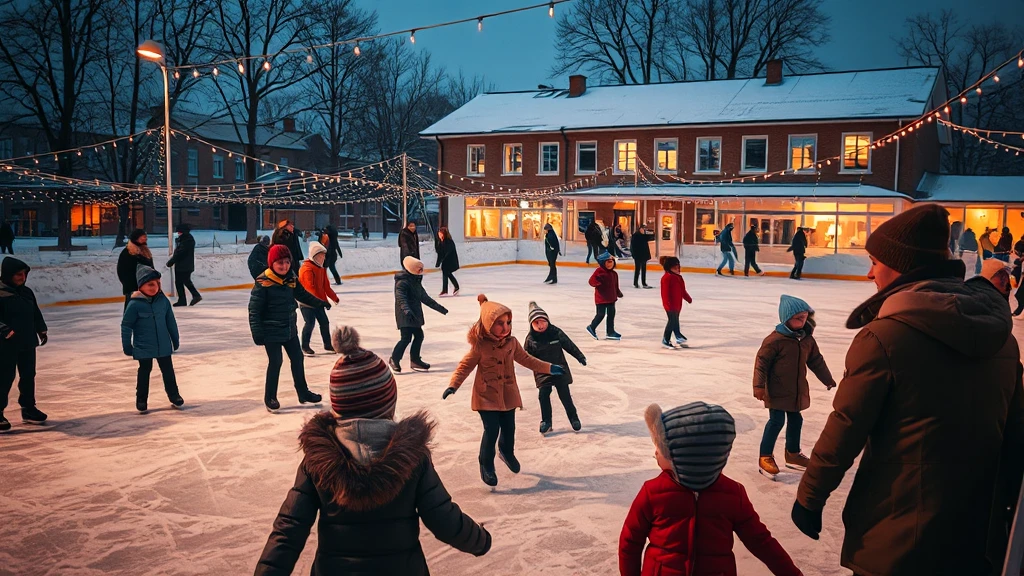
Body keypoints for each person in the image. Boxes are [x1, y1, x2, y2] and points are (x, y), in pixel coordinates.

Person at [792, 204, 1024, 576]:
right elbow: (1015, 436)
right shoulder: (1004, 342)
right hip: (977, 537)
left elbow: (847, 426)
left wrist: (810, 497)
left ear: (903, 265)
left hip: (897, 535)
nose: (870, 273)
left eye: (874, 262)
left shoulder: (885, 337)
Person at [254, 326, 491, 575]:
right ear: (389, 402)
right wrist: (480, 541)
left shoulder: (318, 461)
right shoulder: (412, 459)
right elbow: (443, 518)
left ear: (338, 406)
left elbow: (289, 529)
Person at [619, 402, 802, 576]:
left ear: (683, 458)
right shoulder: (653, 492)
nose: (655, 453)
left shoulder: (732, 495)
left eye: (661, 449)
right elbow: (630, 543)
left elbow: (761, 541)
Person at [442, 294, 560, 486]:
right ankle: (486, 464)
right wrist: (453, 385)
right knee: (491, 429)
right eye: (500, 323)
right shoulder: (480, 346)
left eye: (508, 323)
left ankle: (506, 451)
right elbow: (465, 366)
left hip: (507, 394)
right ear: (488, 324)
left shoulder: (511, 343)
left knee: (509, 427)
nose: (505, 328)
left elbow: (527, 359)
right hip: (486, 395)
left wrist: (549, 367)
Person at [753, 295, 836, 480]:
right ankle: (765, 456)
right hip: (776, 390)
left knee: (796, 420)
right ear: (786, 318)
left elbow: (816, 361)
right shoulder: (775, 340)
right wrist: (758, 386)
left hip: (796, 391)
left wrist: (827, 379)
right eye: (798, 318)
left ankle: (792, 454)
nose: (803, 321)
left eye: (805, 317)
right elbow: (761, 363)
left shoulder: (807, 340)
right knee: (776, 421)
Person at [249, 244, 327, 413]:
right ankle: (270, 397)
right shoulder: (263, 282)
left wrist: (319, 303)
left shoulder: (291, 278)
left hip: (289, 328)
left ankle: (303, 392)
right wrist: (257, 332)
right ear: (272, 263)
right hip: (271, 331)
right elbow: (254, 310)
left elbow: (302, 295)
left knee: (298, 358)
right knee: (276, 361)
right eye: (280, 263)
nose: (284, 266)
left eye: (287, 262)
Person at [121, 264, 183, 414]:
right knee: (144, 371)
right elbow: (126, 325)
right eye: (151, 284)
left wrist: (175, 339)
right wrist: (127, 346)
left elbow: (170, 321)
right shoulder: (134, 304)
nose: (155, 287)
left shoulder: (163, 301)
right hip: (144, 346)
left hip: (163, 344)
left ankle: (174, 396)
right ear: (141, 285)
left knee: (168, 371)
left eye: (158, 284)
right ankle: (141, 400)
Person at [0, 258, 48, 430]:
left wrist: (41, 329)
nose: (23, 277)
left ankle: (28, 408)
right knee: (4, 377)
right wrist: (5, 331)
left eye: (24, 274)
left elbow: (35, 312)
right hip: (6, 345)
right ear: (8, 275)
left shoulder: (27, 292)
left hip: (27, 342)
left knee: (28, 375)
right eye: (18, 274)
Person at [524, 302, 586, 434]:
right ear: (531, 324)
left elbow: (568, 344)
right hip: (542, 372)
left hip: (559, 369)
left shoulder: (555, 332)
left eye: (543, 321)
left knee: (565, 395)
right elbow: (525, 357)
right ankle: (546, 421)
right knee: (543, 395)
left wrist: (579, 356)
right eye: (536, 323)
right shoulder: (530, 339)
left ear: (547, 321)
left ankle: (574, 418)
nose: (540, 325)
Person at [390, 256, 447, 374]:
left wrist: (440, 308)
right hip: (405, 314)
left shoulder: (415, 281)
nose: (422, 271)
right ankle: (394, 359)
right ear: (412, 269)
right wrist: (407, 311)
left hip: (414, 313)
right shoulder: (402, 282)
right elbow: (401, 298)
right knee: (406, 338)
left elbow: (425, 298)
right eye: (419, 269)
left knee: (419, 336)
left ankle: (415, 360)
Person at [298, 241, 340, 356]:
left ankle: (327, 344)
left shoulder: (321, 269)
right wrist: (322, 302)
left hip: (318, 303)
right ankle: (305, 346)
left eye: (324, 256)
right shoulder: (306, 269)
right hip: (306, 302)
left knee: (324, 322)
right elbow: (310, 289)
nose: (323, 258)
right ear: (314, 256)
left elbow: (326, 287)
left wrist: (334, 298)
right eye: (320, 256)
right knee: (309, 323)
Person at [586, 251, 623, 341]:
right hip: (601, 298)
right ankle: (592, 327)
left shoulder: (614, 274)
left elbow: (615, 286)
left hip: (611, 298)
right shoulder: (599, 272)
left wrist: (618, 293)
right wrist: (597, 283)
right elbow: (591, 281)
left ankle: (610, 331)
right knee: (600, 314)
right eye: (608, 262)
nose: (610, 264)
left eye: (612, 262)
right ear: (603, 263)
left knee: (611, 314)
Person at [117, 229, 155, 309]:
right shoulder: (127, 253)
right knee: (132, 308)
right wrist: (129, 285)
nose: (146, 238)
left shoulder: (145, 251)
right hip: (133, 287)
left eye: (146, 236)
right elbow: (121, 271)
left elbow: (151, 268)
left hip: (146, 286)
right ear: (136, 238)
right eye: (143, 237)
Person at [659, 256, 692, 349]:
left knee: (675, 321)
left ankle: (678, 336)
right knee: (672, 321)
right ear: (669, 268)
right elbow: (665, 293)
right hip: (670, 305)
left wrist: (688, 298)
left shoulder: (679, 278)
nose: (677, 269)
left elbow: (682, 291)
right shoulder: (666, 278)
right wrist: (667, 304)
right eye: (675, 268)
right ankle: (666, 339)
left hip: (677, 304)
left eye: (678, 267)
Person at [166, 223, 201, 307]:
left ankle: (195, 295)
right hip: (182, 265)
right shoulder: (184, 239)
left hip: (184, 265)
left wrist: (172, 261)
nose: (178, 233)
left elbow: (181, 253)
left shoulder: (187, 240)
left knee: (185, 281)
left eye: (179, 232)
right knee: (180, 282)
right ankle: (183, 300)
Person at [435, 227, 460, 297]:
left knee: (446, 274)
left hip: (450, 261)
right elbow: (439, 252)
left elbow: (448, 252)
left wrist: (442, 261)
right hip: (446, 261)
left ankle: (445, 290)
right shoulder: (441, 241)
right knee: (447, 274)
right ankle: (456, 287)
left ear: (444, 234)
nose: (439, 235)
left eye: (440, 233)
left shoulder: (449, 242)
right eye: (439, 233)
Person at [629, 225, 654, 289]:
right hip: (638, 255)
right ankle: (636, 282)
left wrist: (650, 233)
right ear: (640, 229)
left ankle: (644, 283)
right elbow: (632, 246)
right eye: (643, 229)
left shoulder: (644, 236)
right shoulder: (635, 236)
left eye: (644, 229)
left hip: (644, 255)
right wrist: (634, 255)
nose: (643, 230)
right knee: (637, 269)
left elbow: (651, 238)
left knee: (643, 269)